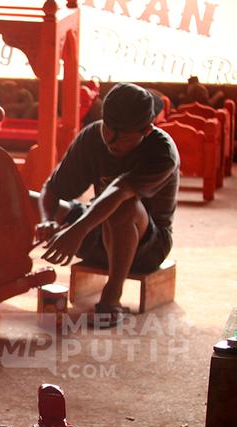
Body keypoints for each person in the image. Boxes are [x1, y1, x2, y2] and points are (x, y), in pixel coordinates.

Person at [36, 83, 179, 326]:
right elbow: (52, 188)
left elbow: (119, 191)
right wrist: (46, 220)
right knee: (25, 199)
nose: (111, 141)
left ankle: (111, 298)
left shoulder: (162, 151)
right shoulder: (93, 136)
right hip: (97, 232)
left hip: (146, 248)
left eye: (122, 136)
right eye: (108, 129)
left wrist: (77, 230)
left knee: (123, 205)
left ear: (145, 130)